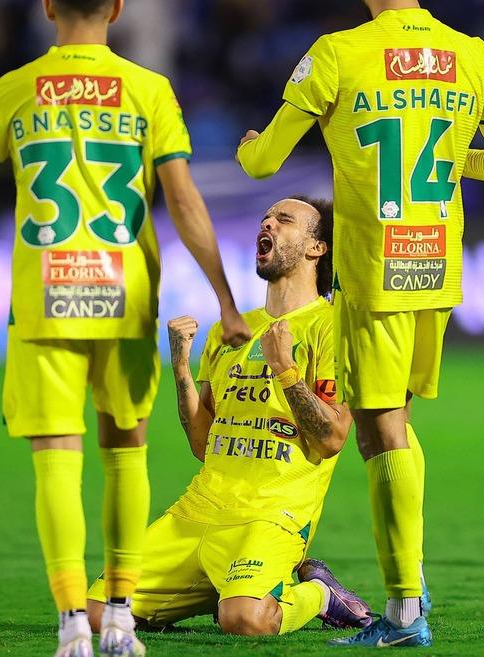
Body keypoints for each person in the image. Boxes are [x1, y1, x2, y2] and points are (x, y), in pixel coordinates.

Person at [0, 0, 250, 655]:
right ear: (119, 8)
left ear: (46, 7)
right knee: (126, 451)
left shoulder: (13, 89)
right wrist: (226, 300)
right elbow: (182, 199)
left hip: (47, 299)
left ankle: (73, 625)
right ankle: (120, 615)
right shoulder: (150, 90)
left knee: (56, 463)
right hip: (124, 298)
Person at [236, 0, 484, 647]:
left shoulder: (339, 53)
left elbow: (262, 166)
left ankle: (402, 614)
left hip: (376, 273)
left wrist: (251, 148)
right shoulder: (473, 54)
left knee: (380, 429)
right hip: (436, 268)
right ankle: (413, 580)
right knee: (390, 419)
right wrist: (456, 158)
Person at [87, 196, 370, 636]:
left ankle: (318, 594)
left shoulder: (333, 327)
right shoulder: (228, 330)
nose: (269, 223)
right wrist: (181, 370)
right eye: (265, 218)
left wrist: (287, 373)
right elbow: (203, 443)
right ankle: (216, 590)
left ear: (317, 248)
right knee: (98, 614)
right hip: (200, 509)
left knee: (247, 620)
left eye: (284, 219)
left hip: (270, 515)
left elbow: (332, 438)